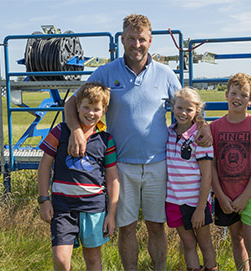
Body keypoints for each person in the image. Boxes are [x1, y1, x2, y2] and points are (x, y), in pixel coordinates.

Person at [63, 14, 211, 270]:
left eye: (141, 39)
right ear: (122, 39)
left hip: (159, 163)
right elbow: (71, 102)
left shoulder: (165, 74)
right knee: (126, 227)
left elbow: (190, 106)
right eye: (130, 38)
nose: (136, 44)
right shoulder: (106, 72)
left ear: (150, 41)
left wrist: (204, 125)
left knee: (156, 225)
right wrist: (75, 129)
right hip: (120, 166)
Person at [37, 82, 120, 271]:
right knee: (60, 259)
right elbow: (44, 166)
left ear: (104, 110)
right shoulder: (60, 131)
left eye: (96, 109)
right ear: (77, 107)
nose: (91, 113)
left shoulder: (106, 140)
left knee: (93, 261)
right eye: (86, 107)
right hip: (63, 207)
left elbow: (112, 178)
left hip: (94, 207)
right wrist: (44, 200)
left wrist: (111, 213)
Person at [210, 73, 251, 271]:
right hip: (226, 195)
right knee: (236, 240)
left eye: (244, 95)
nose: (238, 98)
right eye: (234, 93)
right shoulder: (215, 127)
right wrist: (220, 196)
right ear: (226, 95)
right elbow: (211, 165)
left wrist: (245, 196)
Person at [166, 88, 217, 271]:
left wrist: (200, 208)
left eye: (189, 110)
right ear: (173, 108)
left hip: (196, 201)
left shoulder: (201, 138)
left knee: (205, 243)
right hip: (173, 200)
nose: (183, 113)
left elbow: (207, 176)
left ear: (197, 111)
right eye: (179, 108)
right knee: (188, 244)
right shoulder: (169, 133)